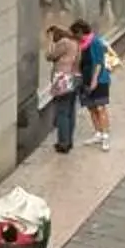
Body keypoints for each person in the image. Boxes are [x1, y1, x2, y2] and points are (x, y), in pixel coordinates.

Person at [74, 21, 114, 149]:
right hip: (84, 79)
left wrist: (94, 80)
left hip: (99, 79)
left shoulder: (95, 42)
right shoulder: (80, 45)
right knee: (91, 107)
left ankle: (105, 135)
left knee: (100, 107)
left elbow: (98, 62)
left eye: (76, 34)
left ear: (80, 32)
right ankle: (98, 132)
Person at [49, 26, 83, 153]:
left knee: (62, 111)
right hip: (74, 78)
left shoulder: (64, 43)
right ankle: (69, 140)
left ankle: (63, 143)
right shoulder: (76, 44)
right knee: (70, 110)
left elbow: (49, 55)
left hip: (63, 78)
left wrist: (50, 43)